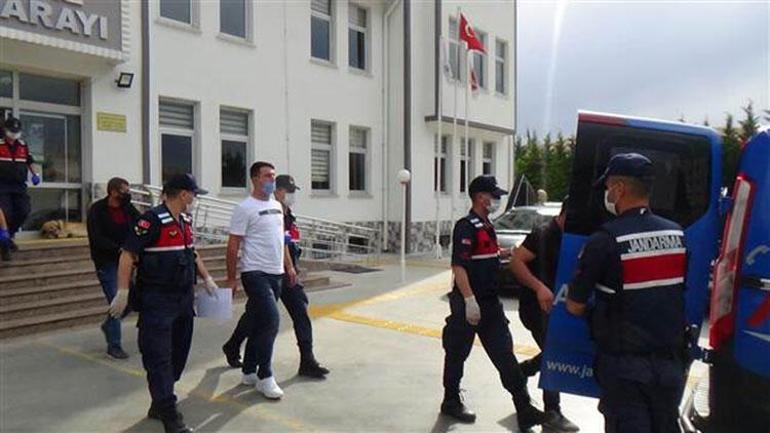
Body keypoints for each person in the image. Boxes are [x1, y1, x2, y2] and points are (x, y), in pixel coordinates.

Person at [565, 153, 688, 433]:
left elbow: (574, 305)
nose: (607, 194)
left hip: (626, 370)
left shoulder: (605, 240)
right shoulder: (676, 235)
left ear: (619, 188)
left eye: (608, 187)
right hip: (670, 367)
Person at [108, 173, 218, 433]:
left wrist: (207, 278)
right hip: (157, 302)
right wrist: (123, 291)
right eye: (194, 194)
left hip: (183, 300)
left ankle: (160, 402)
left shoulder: (185, 221)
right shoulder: (151, 221)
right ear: (183, 194)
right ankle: (171, 418)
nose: (195, 199)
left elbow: (192, 253)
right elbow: (127, 254)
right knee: (159, 359)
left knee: (178, 355)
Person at [441, 175, 547, 431]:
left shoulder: (487, 225)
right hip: (468, 304)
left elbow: (485, 254)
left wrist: (505, 253)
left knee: (505, 354)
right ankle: (451, 400)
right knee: (456, 353)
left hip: (490, 305)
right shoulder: (466, 226)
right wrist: (469, 300)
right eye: (494, 196)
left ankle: (524, 407)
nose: (496, 200)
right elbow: (459, 266)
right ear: (480, 197)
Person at [222, 174, 329, 378]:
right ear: (278, 191)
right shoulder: (265, 210)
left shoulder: (286, 213)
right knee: (256, 316)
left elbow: (286, 242)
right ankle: (237, 350)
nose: (291, 196)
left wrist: (291, 267)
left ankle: (307, 359)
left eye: (293, 192)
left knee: (300, 312)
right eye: (288, 191)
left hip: (286, 273)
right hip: (267, 273)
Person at [223, 162, 298, 400]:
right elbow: (233, 245)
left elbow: (281, 239)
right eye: (267, 176)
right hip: (255, 273)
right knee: (271, 321)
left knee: (257, 321)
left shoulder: (276, 206)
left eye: (273, 176)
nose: (272, 180)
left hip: (276, 272)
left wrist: (288, 266)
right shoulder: (244, 208)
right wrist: (231, 278)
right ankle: (265, 376)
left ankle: (248, 371)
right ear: (255, 179)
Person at [509, 200, 580, 432]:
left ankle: (524, 370)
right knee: (553, 355)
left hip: (556, 308)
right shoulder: (544, 234)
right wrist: (538, 287)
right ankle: (552, 412)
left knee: (558, 351)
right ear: (564, 214)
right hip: (535, 308)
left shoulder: (570, 236)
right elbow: (516, 261)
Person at [87, 177, 140, 359]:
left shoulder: (127, 208)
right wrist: (118, 249)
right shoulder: (97, 210)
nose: (127, 194)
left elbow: (141, 224)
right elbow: (96, 237)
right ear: (113, 192)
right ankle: (114, 345)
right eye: (124, 191)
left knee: (131, 300)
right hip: (107, 262)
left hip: (126, 261)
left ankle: (109, 324)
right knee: (117, 300)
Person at [0, 115, 40, 253]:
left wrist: (35, 175)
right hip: (2, 185)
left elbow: (30, 161)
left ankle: (8, 235)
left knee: (24, 210)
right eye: (12, 131)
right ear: (5, 130)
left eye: (16, 131)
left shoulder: (23, 145)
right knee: (6, 212)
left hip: (19, 186)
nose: (14, 134)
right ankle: (5, 240)